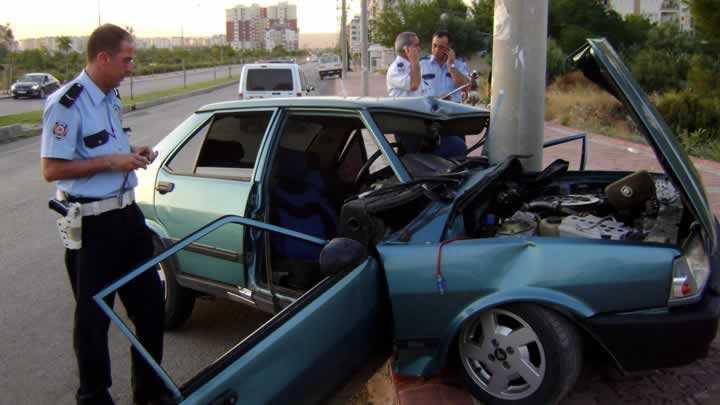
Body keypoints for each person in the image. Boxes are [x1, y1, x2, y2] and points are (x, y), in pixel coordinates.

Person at [40, 24, 169, 405]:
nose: (131, 66)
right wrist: (112, 162)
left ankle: (150, 391)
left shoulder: (110, 96)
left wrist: (132, 153)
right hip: (92, 227)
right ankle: (94, 396)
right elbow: (52, 169)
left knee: (149, 307)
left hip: (127, 217)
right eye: (126, 59)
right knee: (93, 321)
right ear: (103, 58)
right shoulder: (68, 103)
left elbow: (107, 147)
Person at [419, 31, 470, 158]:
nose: (436, 50)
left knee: (457, 155)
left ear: (449, 49)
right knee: (430, 156)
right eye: (434, 45)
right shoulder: (422, 65)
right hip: (429, 118)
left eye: (441, 47)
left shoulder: (459, 65)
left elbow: (466, 85)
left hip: (453, 117)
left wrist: (451, 65)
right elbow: (415, 90)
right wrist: (435, 99)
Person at [386, 31, 422, 97]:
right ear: (406, 49)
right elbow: (414, 85)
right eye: (416, 45)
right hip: (402, 107)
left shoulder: (415, 65)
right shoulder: (395, 69)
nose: (419, 49)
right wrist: (414, 61)